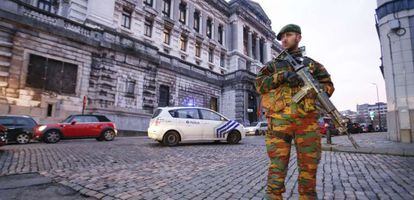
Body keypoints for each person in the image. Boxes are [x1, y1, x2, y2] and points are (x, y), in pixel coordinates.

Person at [255, 24, 335, 200]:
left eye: (288, 35)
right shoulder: (273, 66)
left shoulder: (312, 65)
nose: (284, 39)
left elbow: (329, 87)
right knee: (277, 168)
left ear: (298, 37)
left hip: (307, 122)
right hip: (278, 122)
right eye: (282, 37)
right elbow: (259, 84)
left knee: (309, 168)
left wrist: (310, 86)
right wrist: (281, 77)